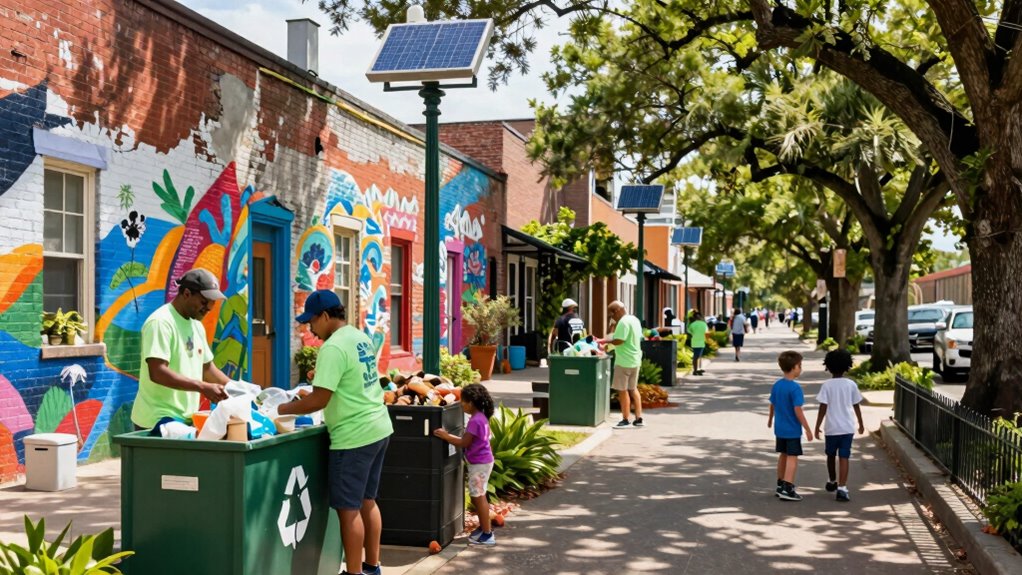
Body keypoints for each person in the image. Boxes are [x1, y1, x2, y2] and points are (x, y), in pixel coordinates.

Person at [275, 290, 394, 575]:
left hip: (353, 436)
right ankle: (371, 567)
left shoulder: (332, 347)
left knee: (348, 510)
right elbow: (352, 380)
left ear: (325, 316)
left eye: (311, 321)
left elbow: (319, 400)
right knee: (368, 501)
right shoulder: (358, 336)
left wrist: (279, 408)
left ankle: (353, 573)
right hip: (378, 427)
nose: (310, 329)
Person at [131, 268, 231, 430]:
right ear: (186, 294)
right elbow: (157, 372)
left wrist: (236, 388)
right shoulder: (161, 322)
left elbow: (207, 369)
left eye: (212, 303)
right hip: (157, 419)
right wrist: (202, 387)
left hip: (185, 419)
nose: (209, 308)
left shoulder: (196, 326)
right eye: (204, 302)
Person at [434, 384, 496, 546]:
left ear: (471, 403)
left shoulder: (475, 421)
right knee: (479, 495)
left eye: (463, 401)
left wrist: (446, 436)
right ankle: (484, 528)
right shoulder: (481, 417)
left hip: (479, 464)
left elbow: (463, 442)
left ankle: (487, 534)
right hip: (483, 462)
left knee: (478, 496)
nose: (461, 404)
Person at [813, 349, 865, 502]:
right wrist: (861, 424)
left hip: (831, 428)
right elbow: (856, 405)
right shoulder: (851, 384)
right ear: (848, 366)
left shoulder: (827, 385)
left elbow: (823, 407)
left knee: (830, 455)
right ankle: (842, 488)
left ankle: (832, 480)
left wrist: (817, 426)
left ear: (828, 366)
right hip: (847, 427)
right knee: (844, 456)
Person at [768, 350, 813, 501]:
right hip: (792, 429)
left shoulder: (777, 385)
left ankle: (780, 484)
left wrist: (770, 419)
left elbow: (772, 404)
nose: (801, 368)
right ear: (794, 367)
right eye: (800, 365)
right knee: (792, 457)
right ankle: (788, 487)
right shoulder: (795, 388)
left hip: (779, 428)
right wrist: (807, 428)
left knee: (783, 454)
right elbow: (798, 410)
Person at [599, 301, 644, 429]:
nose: (612, 318)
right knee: (633, 389)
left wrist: (605, 343)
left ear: (617, 311)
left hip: (624, 361)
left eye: (611, 314)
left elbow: (619, 340)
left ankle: (625, 419)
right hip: (635, 360)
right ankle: (639, 418)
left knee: (622, 391)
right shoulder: (634, 320)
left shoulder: (623, 322)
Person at [687, 311, 709, 376]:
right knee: (699, 356)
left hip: (694, 342)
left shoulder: (692, 324)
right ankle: (697, 369)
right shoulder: (704, 324)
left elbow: (689, 331)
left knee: (696, 356)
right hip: (701, 342)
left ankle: (696, 369)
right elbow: (707, 332)